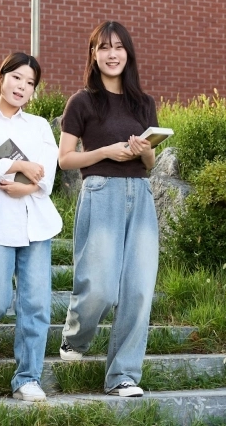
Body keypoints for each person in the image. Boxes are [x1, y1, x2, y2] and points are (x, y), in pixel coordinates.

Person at [57, 21, 160, 397]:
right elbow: (65, 159)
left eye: (118, 47)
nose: (112, 54)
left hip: (141, 195)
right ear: (93, 55)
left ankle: (123, 376)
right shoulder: (82, 102)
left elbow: (150, 163)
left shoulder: (143, 103)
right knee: (99, 287)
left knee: (138, 290)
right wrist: (107, 151)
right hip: (100, 192)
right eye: (104, 48)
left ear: (128, 53)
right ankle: (74, 336)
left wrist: (142, 149)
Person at [0, 52, 62, 403]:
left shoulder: (37, 126)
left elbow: (48, 168)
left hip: (35, 220)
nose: (22, 86)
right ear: (1, 77)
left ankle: (27, 377)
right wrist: (17, 165)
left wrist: (30, 185)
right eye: (17, 77)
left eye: (30, 82)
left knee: (36, 303)